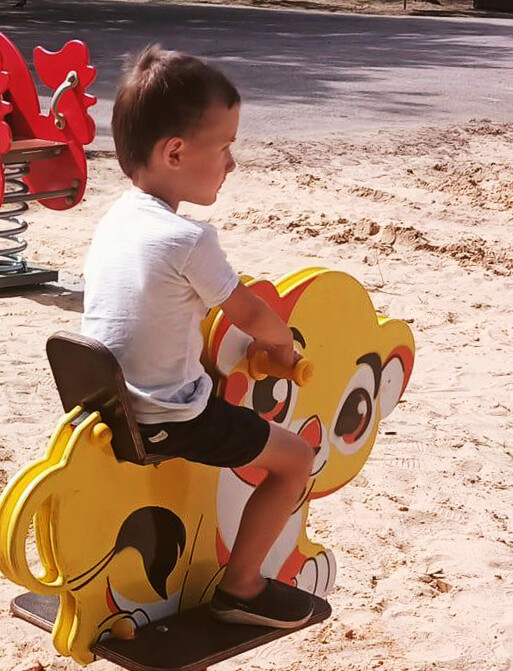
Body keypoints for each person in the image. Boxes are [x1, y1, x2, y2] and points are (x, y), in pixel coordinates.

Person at [80, 47, 316, 630]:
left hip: (107, 402)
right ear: (175, 153)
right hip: (170, 418)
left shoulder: (116, 220)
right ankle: (243, 586)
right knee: (295, 458)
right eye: (225, 146)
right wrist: (283, 348)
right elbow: (251, 313)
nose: (231, 162)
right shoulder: (188, 239)